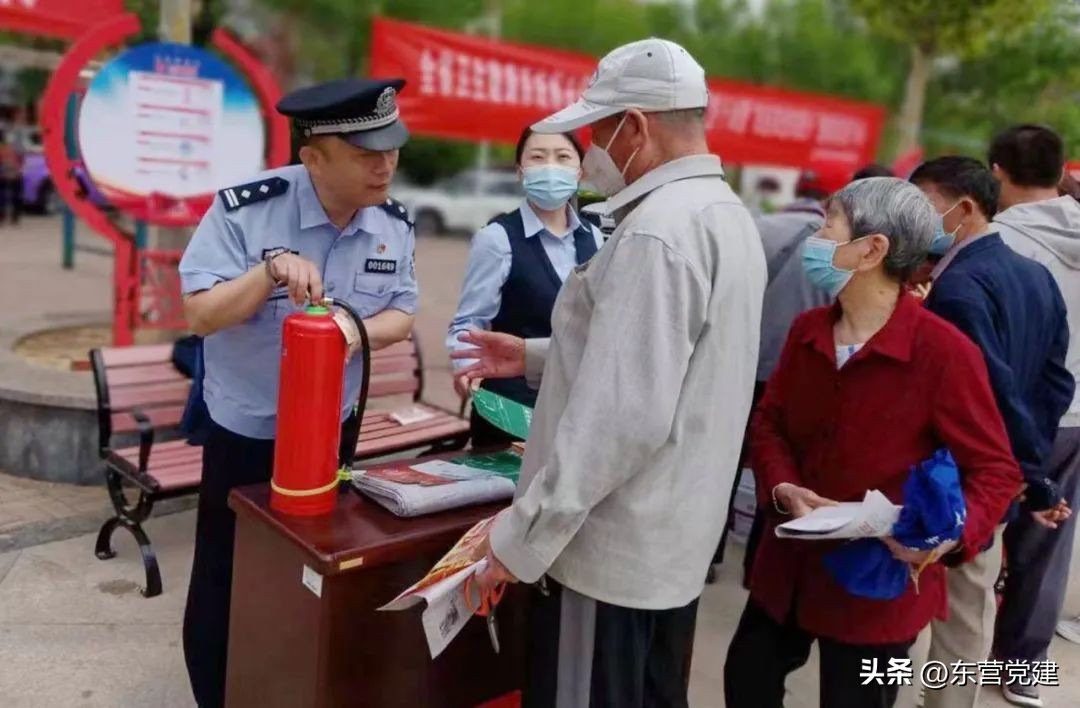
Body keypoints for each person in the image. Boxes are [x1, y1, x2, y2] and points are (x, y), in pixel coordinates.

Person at [453, 38, 766, 706]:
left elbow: (618, 420)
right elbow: (670, 363)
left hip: (609, 555)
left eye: (595, 130)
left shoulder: (658, 232)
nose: (588, 150)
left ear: (636, 127)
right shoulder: (725, 215)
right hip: (669, 544)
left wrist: (522, 538)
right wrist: (534, 355)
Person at [724, 177, 1023, 708]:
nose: (815, 237)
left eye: (828, 224)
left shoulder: (943, 354)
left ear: (871, 249)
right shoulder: (808, 330)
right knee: (747, 680)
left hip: (877, 585)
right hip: (788, 570)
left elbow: (996, 469)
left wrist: (944, 540)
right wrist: (784, 485)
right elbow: (768, 423)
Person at [177, 78, 417, 708]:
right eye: (367, 152)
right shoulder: (244, 209)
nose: (386, 163)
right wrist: (269, 272)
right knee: (226, 575)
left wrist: (346, 331)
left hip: (329, 433)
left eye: (391, 147)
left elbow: (402, 315)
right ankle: (217, 693)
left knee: (312, 571)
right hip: (244, 433)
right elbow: (200, 314)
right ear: (313, 156)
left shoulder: (393, 223)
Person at [910, 155, 1074, 708]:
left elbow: (992, 391)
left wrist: (1026, 474)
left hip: (952, 477)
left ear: (965, 207)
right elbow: (1056, 382)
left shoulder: (956, 290)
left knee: (922, 614)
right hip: (996, 475)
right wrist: (1030, 471)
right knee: (966, 614)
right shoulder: (1035, 277)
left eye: (923, 205)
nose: (915, 218)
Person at [987, 125, 1080, 708]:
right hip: (1076, 415)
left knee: (975, 534)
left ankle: (953, 666)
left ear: (997, 171)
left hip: (1010, 411)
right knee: (1051, 537)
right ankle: (1021, 668)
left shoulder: (1002, 242)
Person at [446, 126, 603, 447]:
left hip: (577, 405)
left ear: (579, 171)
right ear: (520, 172)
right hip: (510, 409)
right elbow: (468, 322)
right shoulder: (497, 239)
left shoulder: (595, 237)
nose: (550, 167)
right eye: (537, 157)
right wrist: (467, 369)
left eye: (562, 158)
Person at [0, 129, 22, 225]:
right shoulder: (11, 147)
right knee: (12, 197)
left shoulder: (6, 148)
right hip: (12, 175)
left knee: (4, 197)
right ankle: (13, 217)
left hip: (7, 175)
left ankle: (7, 216)